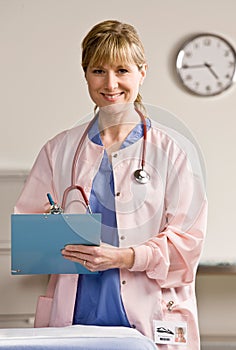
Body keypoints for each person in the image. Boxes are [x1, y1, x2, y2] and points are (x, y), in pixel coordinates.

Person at [14, 20, 207, 349]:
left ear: (142, 72)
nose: (111, 83)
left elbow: (187, 247)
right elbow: (29, 236)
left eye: (122, 70)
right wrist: (53, 232)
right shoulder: (58, 150)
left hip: (149, 315)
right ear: (85, 74)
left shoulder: (171, 153)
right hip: (75, 315)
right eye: (98, 70)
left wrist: (125, 258)